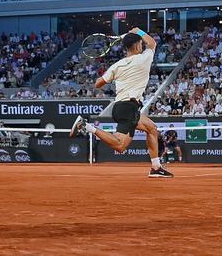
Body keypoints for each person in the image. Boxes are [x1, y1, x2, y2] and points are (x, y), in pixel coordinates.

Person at [70, 29, 173, 178]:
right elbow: (152, 43)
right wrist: (138, 30)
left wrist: (112, 77)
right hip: (128, 108)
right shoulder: (144, 58)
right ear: (138, 46)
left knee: (152, 129)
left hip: (122, 107)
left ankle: (156, 167)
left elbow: (98, 83)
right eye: (140, 44)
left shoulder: (116, 66)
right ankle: (86, 126)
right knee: (120, 145)